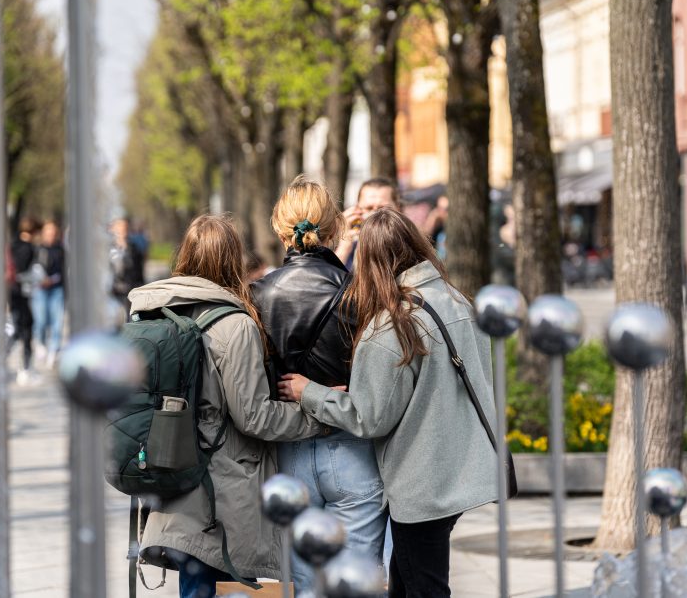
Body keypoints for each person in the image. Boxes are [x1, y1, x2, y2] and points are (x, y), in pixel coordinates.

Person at [277, 207, 498, 597]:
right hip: (462, 469)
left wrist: (306, 391)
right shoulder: (460, 302)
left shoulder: (392, 327)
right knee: (409, 579)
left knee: (422, 586)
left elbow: (369, 418)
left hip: (421, 484)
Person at [133, 215, 322, 598]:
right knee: (208, 579)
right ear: (232, 260)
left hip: (169, 466)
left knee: (195, 583)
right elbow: (255, 417)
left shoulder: (155, 312)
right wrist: (317, 415)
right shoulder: (235, 324)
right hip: (219, 482)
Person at [251, 178, 387, 594]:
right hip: (351, 445)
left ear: (280, 230)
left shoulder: (256, 295)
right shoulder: (361, 294)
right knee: (358, 583)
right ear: (338, 230)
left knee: (305, 585)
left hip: (287, 453)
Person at [335, 177, 400, 269]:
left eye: (382, 208)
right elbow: (328, 279)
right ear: (357, 209)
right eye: (368, 208)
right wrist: (344, 247)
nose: (375, 214)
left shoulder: (409, 243)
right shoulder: (348, 246)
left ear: (397, 208)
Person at [31, 220, 66, 369]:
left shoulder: (61, 250)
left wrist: (54, 280)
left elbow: (65, 271)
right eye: (48, 232)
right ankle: (40, 343)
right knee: (41, 320)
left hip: (57, 289)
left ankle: (54, 351)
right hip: (40, 289)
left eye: (53, 233)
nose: (50, 236)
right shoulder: (37, 249)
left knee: (57, 322)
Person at [9, 217, 39, 382]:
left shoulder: (12, 245)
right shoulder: (28, 248)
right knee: (24, 330)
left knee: (17, 329)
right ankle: (25, 367)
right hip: (22, 292)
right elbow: (21, 270)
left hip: (13, 292)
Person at [110, 217, 145, 315]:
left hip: (130, 291)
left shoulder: (134, 249)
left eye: (125, 228)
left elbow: (139, 271)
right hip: (114, 293)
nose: (123, 231)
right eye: (120, 228)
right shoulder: (109, 250)